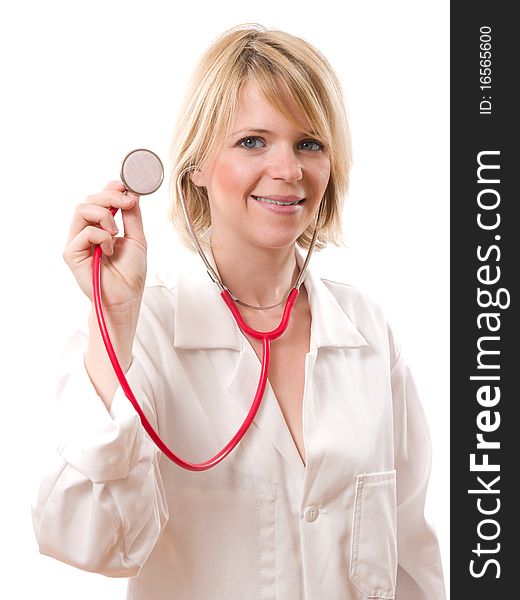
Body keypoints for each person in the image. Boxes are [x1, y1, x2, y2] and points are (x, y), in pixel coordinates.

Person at [32, 24, 446, 600]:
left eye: (310, 143)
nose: (288, 169)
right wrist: (117, 321)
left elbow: (412, 556)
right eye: (253, 141)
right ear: (197, 163)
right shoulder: (145, 331)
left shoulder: (367, 330)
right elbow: (92, 544)